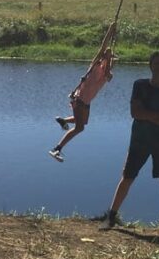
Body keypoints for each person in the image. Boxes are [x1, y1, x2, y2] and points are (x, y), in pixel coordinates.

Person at [98, 50, 159, 234]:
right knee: (127, 177)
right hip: (140, 141)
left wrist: (148, 116)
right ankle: (111, 217)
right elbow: (136, 113)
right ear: (150, 66)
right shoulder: (140, 85)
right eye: (157, 63)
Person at [48, 22, 118, 162]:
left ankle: (63, 120)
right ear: (103, 59)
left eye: (112, 60)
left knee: (83, 122)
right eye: (109, 59)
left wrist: (110, 58)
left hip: (85, 102)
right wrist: (111, 29)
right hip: (79, 100)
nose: (112, 61)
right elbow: (103, 47)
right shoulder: (94, 66)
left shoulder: (107, 75)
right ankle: (56, 149)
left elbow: (109, 72)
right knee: (80, 128)